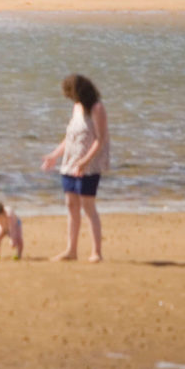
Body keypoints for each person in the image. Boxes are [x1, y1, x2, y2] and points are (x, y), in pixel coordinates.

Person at [41, 73, 110, 263]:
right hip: (70, 164)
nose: (70, 97)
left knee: (88, 206)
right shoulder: (76, 107)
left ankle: (97, 252)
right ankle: (71, 250)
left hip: (89, 165)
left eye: (71, 93)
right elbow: (69, 137)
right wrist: (54, 155)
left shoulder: (97, 108)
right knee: (71, 205)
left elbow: (100, 139)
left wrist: (85, 161)